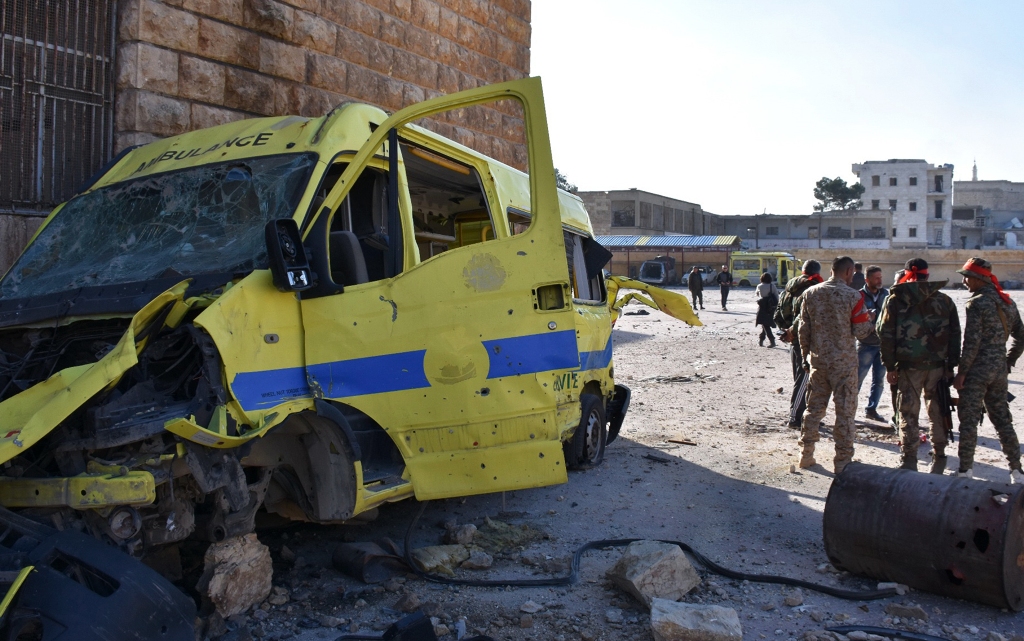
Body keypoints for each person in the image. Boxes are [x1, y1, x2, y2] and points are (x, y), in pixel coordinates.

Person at [876, 258, 960, 473]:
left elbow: (884, 334)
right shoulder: (945, 301)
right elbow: (955, 335)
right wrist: (952, 365)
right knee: (938, 411)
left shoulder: (895, 300)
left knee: (908, 413)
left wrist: (889, 366)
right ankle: (939, 456)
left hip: (908, 367)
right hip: (938, 367)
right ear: (927, 276)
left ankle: (909, 460)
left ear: (905, 274)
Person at [797, 256, 874, 473]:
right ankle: (842, 462)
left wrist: (805, 358)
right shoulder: (853, 296)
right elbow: (861, 331)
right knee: (845, 413)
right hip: (844, 364)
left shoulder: (811, 293)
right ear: (849, 271)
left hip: (819, 361)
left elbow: (804, 330)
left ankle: (806, 454)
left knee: (813, 410)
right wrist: (871, 322)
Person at [953, 257, 1024, 482]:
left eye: (967, 277)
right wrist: (1008, 361)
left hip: (977, 372)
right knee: (1003, 420)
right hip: (999, 372)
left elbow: (971, 342)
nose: (964, 281)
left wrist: (962, 373)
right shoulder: (1008, 303)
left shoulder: (977, 304)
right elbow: (1021, 338)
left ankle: (965, 471)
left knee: (969, 421)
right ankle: (1016, 470)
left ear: (978, 279)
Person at [775, 260, 823, 429]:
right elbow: (804, 316)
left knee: (801, 379)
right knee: (804, 379)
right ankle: (795, 417)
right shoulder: (814, 288)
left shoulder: (789, 288)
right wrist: (792, 331)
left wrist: (784, 332)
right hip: (805, 338)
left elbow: (778, 312)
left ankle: (804, 415)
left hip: (792, 339)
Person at [856, 266, 889, 423]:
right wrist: (865, 317)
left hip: (882, 344)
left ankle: (871, 409)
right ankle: (849, 409)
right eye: (876, 278)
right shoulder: (858, 296)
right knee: (857, 378)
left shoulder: (886, 294)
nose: (880, 280)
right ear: (867, 280)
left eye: (880, 277)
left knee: (879, 380)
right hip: (865, 344)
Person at [755, 272, 778, 347]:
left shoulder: (759, 286)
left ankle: (772, 341)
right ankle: (761, 340)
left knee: (765, 324)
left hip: (762, 306)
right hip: (771, 307)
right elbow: (777, 297)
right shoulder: (772, 286)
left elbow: (757, 295)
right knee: (765, 324)